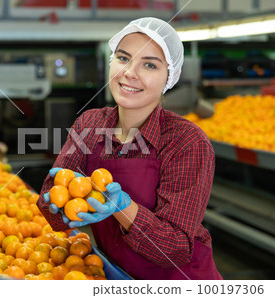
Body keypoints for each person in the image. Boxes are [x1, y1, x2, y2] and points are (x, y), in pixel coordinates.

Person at [37, 17, 222, 280]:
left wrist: (123, 208)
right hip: (115, 273)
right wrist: (56, 207)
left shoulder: (186, 141)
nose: (130, 73)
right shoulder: (89, 123)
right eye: (123, 58)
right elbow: (50, 201)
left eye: (149, 64)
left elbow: (176, 249)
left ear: (169, 77)